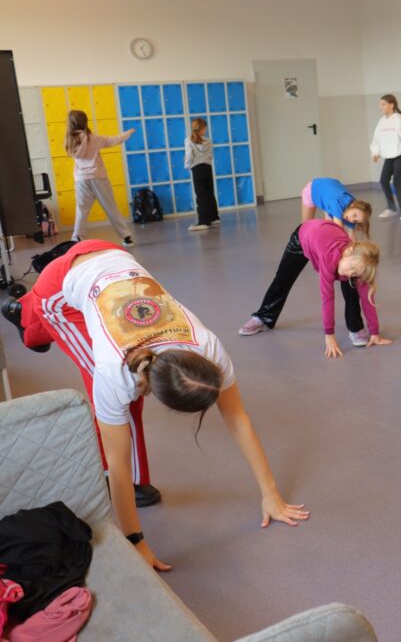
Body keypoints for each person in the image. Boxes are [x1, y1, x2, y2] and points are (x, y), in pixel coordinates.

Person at [1, 241, 309, 570]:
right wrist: (136, 541)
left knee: (123, 404)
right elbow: (117, 465)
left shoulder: (209, 347)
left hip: (111, 255)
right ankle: (25, 315)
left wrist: (271, 494)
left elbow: (238, 418)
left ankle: (25, 312)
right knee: (108, 397)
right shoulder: (114, 370)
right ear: (161, 397)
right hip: (60, 286)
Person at [238, 220, 388, 356]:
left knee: (352, 287)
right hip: (302, 238)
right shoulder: (329, 257)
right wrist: (329, 336)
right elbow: (327, 298)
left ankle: (355, 328)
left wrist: (374, 332)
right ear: (348, 251)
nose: (350, 273)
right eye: (351, 268)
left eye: (355, 272)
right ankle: (264, 317)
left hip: (327, 238)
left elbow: (367, 299)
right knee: (283, 279)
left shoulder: (359, 263)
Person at [64, 111, 135, 248]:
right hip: (98, 177)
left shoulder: (70, 141)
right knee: (111, 207)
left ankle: (76, 239)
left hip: (81, 180)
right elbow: (113, 140)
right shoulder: (93, 139)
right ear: (85, 122)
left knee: (81, 210)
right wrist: (127, 133)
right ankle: (126, 237)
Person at [370, 94, 401, 221]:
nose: (380, 107)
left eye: (383, 104)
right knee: (383, 181)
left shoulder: (399, 119)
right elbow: (377, 139)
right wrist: (375, 152)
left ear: (391, 105)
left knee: (397, 182)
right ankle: (391, 208)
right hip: (389, 156)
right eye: (380, 104)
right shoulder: (382, 121)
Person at [299, 177, 372, 239]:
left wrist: (352, 246)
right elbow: (339, 230)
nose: (352, 219)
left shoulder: (353, 209)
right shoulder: (338, 203)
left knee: (329, 228)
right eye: (355, 215)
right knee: (305, 226)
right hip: (313, 188)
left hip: (329, 191)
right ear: (353, 205)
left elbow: (352, 235)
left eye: (355, 221)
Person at [184, 118, 220, 232]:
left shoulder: (188, 140)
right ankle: (214, 217)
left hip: (197, 169)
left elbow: (189, 156)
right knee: (209, 193)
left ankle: (203, 222)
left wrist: (187, 165)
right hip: (208, 168)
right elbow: (211, 155)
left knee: (201, 195)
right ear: (203, 128)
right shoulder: (208, 140)